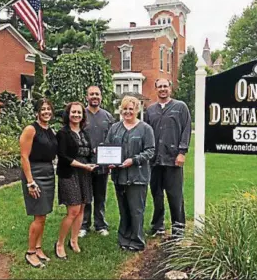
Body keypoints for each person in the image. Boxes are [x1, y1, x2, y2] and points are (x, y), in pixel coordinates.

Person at [105, 96, 155, 251]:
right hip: (119, 176)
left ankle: (137, 241)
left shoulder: (145, 129)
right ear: (121, 110)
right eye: (125, 109)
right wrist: (109, 161)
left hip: (137, 176)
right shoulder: (115, 128)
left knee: (136, 210)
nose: (127, 112)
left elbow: (150, 151)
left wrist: (133, 160)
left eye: (131, 109)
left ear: (137, 110)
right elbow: (108, 146)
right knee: (124, 209)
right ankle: (124, 239)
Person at [144, 78, 192, 238]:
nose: (163, 89)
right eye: (160, 86)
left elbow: (186, 129)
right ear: (156, 88)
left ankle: (178, 227)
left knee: (175, 195)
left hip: (173, 159)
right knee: (156, 194)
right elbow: (146, 133)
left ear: (170, 88)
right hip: (154, 160)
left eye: (166, 86)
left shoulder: (180, 107)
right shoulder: (150, 110)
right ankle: (158, 225)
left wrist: (182, 152)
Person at [55, 102, 98, 259]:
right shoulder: (63, 133)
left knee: (81, 209)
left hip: (84, 174)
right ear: (68, 114)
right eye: (73, 112)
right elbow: (64, 157)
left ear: (83, 115)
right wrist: (83, 165)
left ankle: (73, 241)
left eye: (79, 112)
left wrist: (95, 160)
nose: (76, 115)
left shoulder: (84, 133)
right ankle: (59, 243)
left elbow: (89, 152)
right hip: (69, 173)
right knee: (73, 210)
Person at [20, 98, 58, 268]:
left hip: (49, 173)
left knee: (43, 215)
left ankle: (38, 248)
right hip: (35, 174)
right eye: (43, 109)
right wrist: (30, 182)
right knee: (39, 215)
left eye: (48, 109)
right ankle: (30, 253)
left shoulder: (50, 130)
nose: (46, 112)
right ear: (37, 111)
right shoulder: (31, 129)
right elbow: (24, 156)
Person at [79, 85, 115, 238]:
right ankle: (83, 225)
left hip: (102, 164)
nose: (94, 97)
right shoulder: (81, 115)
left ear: (101, 97)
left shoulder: (107, 117)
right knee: (86, 195)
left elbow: (113, 139)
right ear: (86, 97)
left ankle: (100, 224)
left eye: (97, 94)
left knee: (100, 195)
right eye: (91, 94)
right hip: (85, 164)